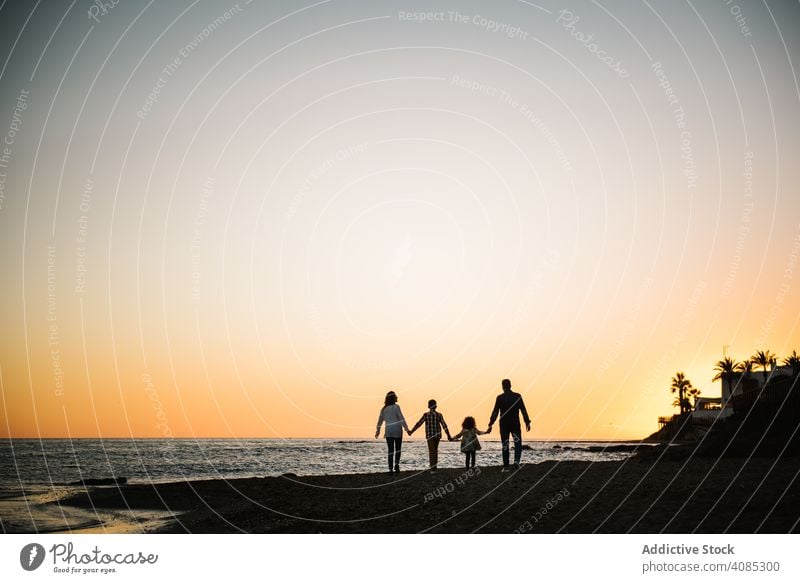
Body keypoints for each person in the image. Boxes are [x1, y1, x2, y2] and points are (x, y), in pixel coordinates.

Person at [487, 378, 531, 472]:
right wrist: (527, 422)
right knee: (517, 443)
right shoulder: (517, 396)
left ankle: (506, 466)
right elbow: (523, 410)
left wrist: (491, 423)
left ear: (503, 387)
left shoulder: (500, 398)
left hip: (504, 425)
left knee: (505, 444)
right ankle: (516, 461)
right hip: (515, 424)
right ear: (510, 385)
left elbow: (495, 412)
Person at [410, 399, 452, 472]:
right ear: (436, 406)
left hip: (430, 435)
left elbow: (419, 424)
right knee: (435, 451)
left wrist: (412, 431)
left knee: (432, 451)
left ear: (428, 406)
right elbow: (444, 425)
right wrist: (448, 435)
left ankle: (433, 468)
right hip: (437, 435)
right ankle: (434, 467)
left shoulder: (426, 415)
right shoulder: (439, 415)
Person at [375, 390, 410, 474]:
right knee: (398, 449)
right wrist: (407, 429)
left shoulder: (384, 409)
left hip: (389, 432)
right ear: (393, 398)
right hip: (397, 431)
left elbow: (380, 421)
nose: (397, 397)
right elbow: (401, 418)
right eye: (396, 396)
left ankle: (390, 468)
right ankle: (396, 465)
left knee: (390, 450)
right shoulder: (396, 407)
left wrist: (378, 431)